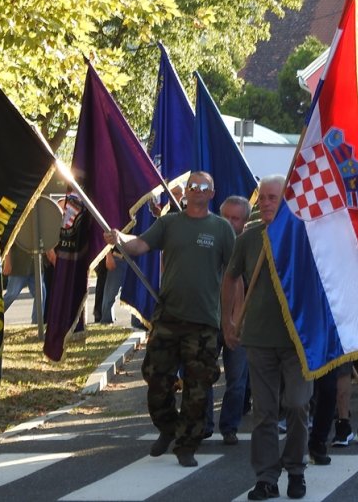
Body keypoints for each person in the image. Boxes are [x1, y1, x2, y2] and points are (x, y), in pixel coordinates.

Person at [104, 171, 234, 468]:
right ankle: (168, 426)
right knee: (155, 376)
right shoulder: (169, 223)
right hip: (169, 316)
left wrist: (231, 317)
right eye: (193, 185)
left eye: (204, 186)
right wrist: (119, 238)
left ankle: (187, 445)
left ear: (211, 193)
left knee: (197, 386)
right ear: (186, 191)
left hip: (203, 323)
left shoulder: (222, 229)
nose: (197, 190)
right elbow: (138, 245)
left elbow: (234, 274)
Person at [222, 175, 312, 500]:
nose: (266, 204)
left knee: (298, 405)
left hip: (298, 340)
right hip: (258, 339)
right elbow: (230, 278)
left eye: (273, 198)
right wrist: (229, 322)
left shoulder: (303, 236)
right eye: (263, 199)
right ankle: (266, 477)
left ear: (287, 200)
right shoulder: (248, 239)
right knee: (264, 413)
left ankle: (297, 470)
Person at [204, 195, 252, 445]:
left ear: (245, 221)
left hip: (238, 323)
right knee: (204, 374)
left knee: (237, 378)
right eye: (226, 217)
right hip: (210, 321)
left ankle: (230, 427)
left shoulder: (251, 246)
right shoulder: (209, 243)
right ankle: (204, 425)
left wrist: (237, 320)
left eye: (236, 218)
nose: (230, 223)